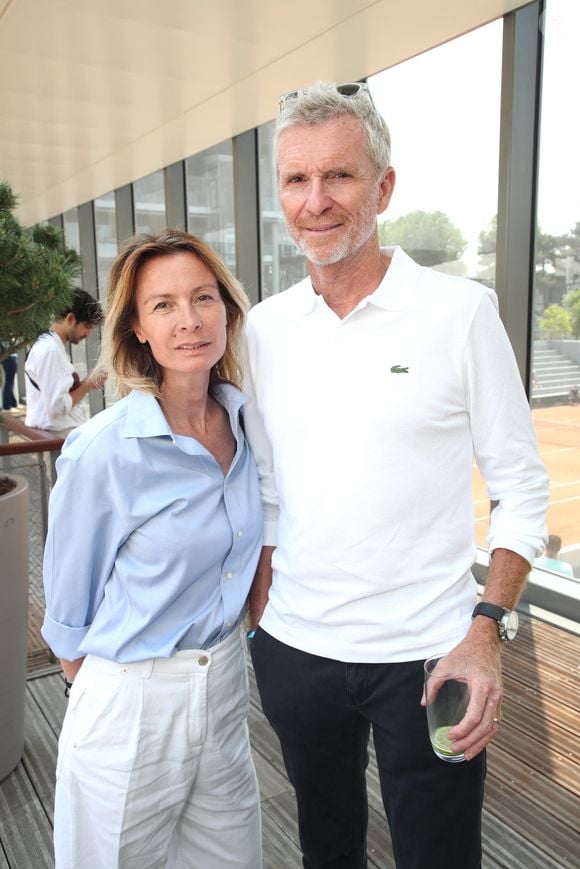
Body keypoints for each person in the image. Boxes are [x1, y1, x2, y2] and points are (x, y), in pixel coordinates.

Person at [242, 81, 549, 868]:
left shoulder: (461, 313)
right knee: (326, 847)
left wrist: (486, 633)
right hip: (297, 654)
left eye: (338, 176)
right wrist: (262, 621)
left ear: (383, 186)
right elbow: (270, 489)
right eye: (296, 179)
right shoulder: (263, 330)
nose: (315, 201)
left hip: (434, 655)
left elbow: (522, 487)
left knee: (440, 855)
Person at [42, 230, 263, 869]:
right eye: (163, 305)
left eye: (203, 298)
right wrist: (127, 698)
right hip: (130, 702)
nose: (188, 321)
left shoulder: (249, 425)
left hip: (223, 689)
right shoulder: (104, 451)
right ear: (136, 327)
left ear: (228, 307)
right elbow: (67, 619)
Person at [24, 288, 104, 432]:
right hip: (58, 435)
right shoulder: (50, 350)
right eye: (86, 326)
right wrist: (88, 384)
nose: (87, 333)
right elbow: (57, 408)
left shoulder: (50, 345)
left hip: (59, 432)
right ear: (70, 319)